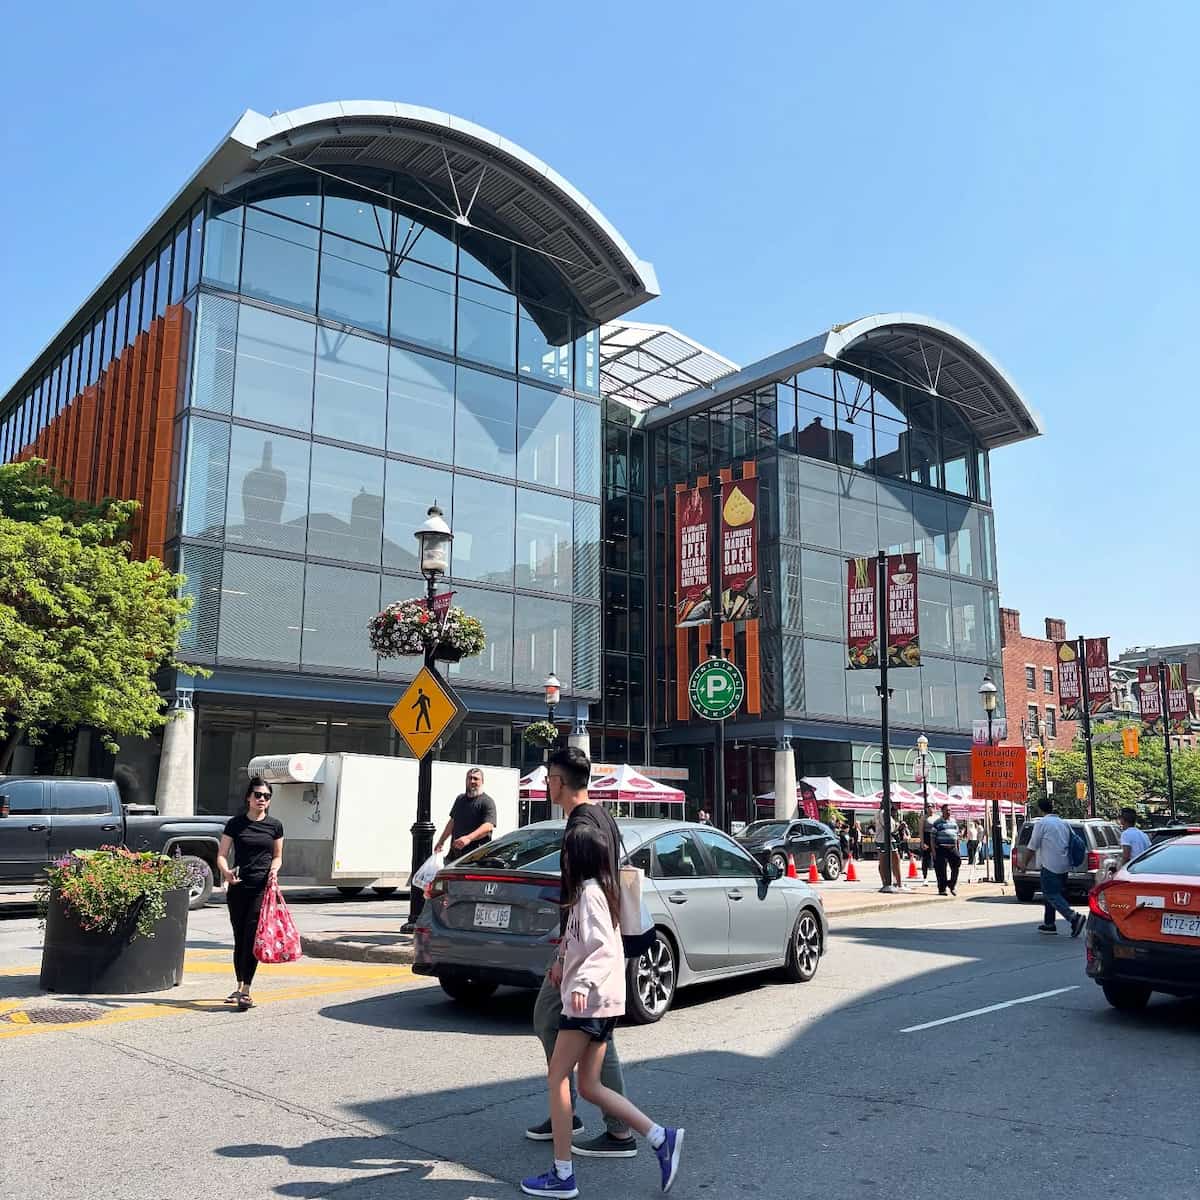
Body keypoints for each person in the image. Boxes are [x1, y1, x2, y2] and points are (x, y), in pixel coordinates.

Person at [521, 821, 684, 1198]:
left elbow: (603, 950)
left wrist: (580, 983)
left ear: (578, 857)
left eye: (566, 852)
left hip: (590, 1002)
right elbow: (584, 942)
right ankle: (660, 1138)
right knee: (589, 1085)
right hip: (602, 1001)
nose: (562, 858)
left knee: (558, 1078)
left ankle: (563, 1175)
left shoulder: (591, 895)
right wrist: (563, 960)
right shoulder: (593, 892)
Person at [528, 746, 635, 1159]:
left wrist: (564, 956)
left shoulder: (580, 829)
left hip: (586, 950)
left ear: (559, 781)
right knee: (560, 1021)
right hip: (584, 946)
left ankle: (616, 1129)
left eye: (548, 778)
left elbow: (581, 896)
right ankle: (569, 1113)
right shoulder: (602, 817)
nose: (546, 784)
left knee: (589, 1032)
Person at [216, 776, 284, 1011]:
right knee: (240, 938)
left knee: (252, 938)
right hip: (238, 888)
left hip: (261, 889)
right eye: (258, 795)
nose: (262, 799)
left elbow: (278, 856)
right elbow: (222, 854)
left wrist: (274, 871)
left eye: (266, 796)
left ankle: (246, 990)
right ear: (248, 797)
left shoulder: (275, 826)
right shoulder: (235, 824)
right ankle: (239, 985)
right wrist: (226, 872)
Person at [1020, 797, 1084, 937]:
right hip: (1065, 864)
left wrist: (1024, 864)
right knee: (1053, 893)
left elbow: (1032, 846)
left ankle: (1073, 917)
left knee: (1050, 894)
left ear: (1039, 809)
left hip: (1050, 865)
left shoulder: (1042, 823)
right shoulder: (1063, 823)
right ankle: (1049, 924)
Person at [435, 767, 497, 861]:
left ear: (482, 781)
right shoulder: (460, 799)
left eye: (476, 778)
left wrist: (468, 838)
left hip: (476, 857)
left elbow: (488, 826)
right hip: (455, 855)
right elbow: (452, 822)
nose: (472, 781)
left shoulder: (487, 801)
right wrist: (441, 841)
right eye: (469, 778)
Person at [932, 804, 961, 896]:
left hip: (952, 848)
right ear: (942, 811)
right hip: (941, 848)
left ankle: (952, 885)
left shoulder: (954, 822)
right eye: (946, 810)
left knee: (956, 865)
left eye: (950, 810)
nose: (948, 812)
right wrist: (933, 851)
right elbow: (932, 837)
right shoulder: (937, 823)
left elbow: (957, 836)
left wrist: (958, 848)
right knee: (941, 869)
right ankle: (942, 889)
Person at [920, 804, 935, 883]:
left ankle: (939, 875)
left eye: (931, 807)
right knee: (925, 858)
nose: (930, 809)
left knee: (938, 857)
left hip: (935, 838)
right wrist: (922, 842)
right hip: (927, 837)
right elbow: (921, 830)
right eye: (928, 807)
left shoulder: (937, 817)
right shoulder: (924, 818)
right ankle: (925, 876)